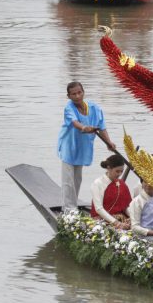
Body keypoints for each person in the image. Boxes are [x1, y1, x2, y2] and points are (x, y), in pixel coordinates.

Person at [57, 81, 117, 212]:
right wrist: (84, 128)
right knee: (68, 180)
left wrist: (108, 142)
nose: (77, 96)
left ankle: (72, 205)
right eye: (73, 94)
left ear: (83, 92)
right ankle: (68, 209)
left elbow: (102, 127)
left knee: (77, 179)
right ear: (69, 96)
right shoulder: (69, 108)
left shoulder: (95, 108)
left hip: (82, 147)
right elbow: (75, 122)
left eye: (79, 93)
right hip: (69, 146)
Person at [90, 154, 133, 228]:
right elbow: (99, 209)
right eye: (117, 171)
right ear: (108, 168)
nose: (119, 174)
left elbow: (125, 206)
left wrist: (132, 218)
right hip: (102, 220)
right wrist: (117, 223)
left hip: (121, 218)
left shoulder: (122, 184)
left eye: (121, 171)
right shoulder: (98, 183)